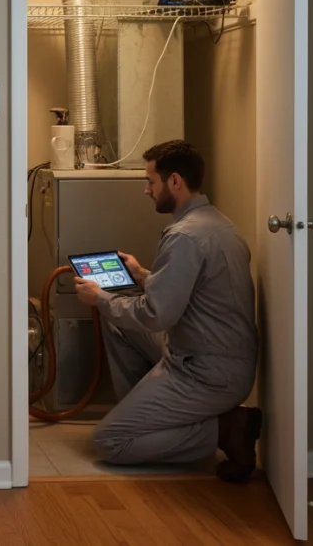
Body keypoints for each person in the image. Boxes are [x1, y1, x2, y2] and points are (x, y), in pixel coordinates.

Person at [73, 139, 263, 483]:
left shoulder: (184, 237)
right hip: (213, 354)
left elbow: (154, 315)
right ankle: (154, 417)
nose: (147, 190)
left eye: (151, 181)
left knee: (110, 442)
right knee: (118, 324)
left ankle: (224, 429)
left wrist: (100, 298)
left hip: (205, 371)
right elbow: (194, 291)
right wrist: (144, 276)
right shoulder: (216, 223)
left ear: (174, 181)